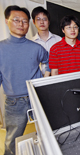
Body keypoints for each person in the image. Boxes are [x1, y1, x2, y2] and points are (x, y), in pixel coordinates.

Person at [0, 5, 49, 155]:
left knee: (46, 134)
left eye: (24, 21)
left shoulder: (36, 47)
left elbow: (47, 62)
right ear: (7, 21)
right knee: (12, 140)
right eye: (16, 20)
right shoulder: (1, 48)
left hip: (37, 97)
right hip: (14, 102)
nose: (21, 24)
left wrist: (44, 80)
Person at [31, 6, 61, 77]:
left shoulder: (58, 40)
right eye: (38, 19)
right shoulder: (31, 42)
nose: (41, 22)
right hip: (38, 79)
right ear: (33, 22)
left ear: (49, 22)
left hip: (58, 76)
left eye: (44, 19)